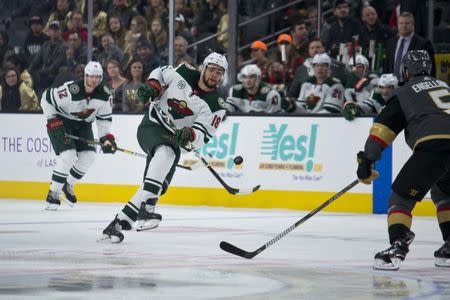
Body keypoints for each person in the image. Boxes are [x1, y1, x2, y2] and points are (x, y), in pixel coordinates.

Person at [101, 52, 228, 243]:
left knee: (157, 184)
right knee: (165, 152)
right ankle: (147, 209)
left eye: (219, 72)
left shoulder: (216, 105)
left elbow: (204, 135)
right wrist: (152, 84)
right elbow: (159, 72)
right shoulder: (184, 71)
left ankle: (118, 223)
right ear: (203, 68)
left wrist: (191, 135)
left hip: (175, 141)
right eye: (211, 69)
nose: (213, 75)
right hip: (152, 125)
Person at [356, 50, 450, 270]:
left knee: (399, 200)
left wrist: (367, 161)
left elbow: (382, 130)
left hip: (433, 147)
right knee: (444, 192)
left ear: (406, 71)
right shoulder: (445, 87)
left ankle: (398, 245)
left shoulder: (405, 92)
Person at [40, 61, 117, 211]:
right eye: (91, 76)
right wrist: (52, 119)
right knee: (68, 155)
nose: (94, 80)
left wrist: (106, 138)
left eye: (98, 77)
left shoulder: (104, 95)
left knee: (89, 156)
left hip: (83, 124)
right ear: (85, 76)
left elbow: (104, 119)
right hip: (62, 121)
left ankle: (68, 184)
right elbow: (46, 98)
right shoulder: (71, 90)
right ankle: (53, 193)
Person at [342, 54, 379, 121]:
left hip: (372, 111)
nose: (355, 70)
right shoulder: (350, 82)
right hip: (356, 113)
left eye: (359, 67)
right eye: (352, 67)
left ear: (365, 67)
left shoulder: (373, 77)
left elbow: (358, 87)